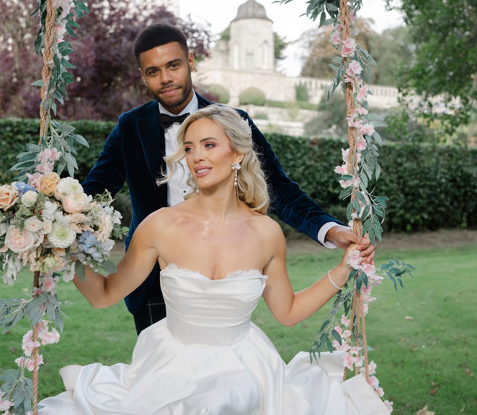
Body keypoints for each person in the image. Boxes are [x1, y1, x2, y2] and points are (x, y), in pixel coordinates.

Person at [40, 105, 389, 414]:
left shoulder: (266, 233)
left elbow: (288, 312)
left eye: (209, 145)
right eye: (189, 148)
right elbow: (102, 295)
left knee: (230, 401)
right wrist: (61, 247)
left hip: (246, 369)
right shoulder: (161, 225)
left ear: (237, 154)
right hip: (170, 369)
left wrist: (342, 271)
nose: (196, 157)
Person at [82, 23, 376, 335]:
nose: (166, 78)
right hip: (153, 280)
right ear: (143, 76)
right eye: (153, 71)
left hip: (228, 268)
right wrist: (53, 223)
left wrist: (328, 230)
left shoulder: (234, 124)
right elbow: (93, 193)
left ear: (191, 62)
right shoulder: (130, 127)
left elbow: (280, 189)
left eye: (174, 65)